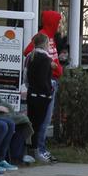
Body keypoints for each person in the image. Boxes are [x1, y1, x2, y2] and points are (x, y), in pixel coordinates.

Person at [23, 10, 63, 163]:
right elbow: (29, 51)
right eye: (57, 22)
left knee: (45, 120)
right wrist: (50, 66)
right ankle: (38, 149)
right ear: (52, 22)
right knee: (42, 120)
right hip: (45, 84)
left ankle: (41, 148)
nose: (59, 26)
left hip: (50, 81)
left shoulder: (50, 37)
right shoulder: (43, 35)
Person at [25, 33, 56, 163]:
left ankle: (30, 149)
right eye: (48, 43)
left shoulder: (29, 57)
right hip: (42, 95)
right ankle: (36, 150)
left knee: (32, 123)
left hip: (31, 93)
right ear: (44, 44)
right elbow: (43, 79)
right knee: (39, 124)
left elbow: (26, 77)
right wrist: (49, 92)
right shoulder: (45, 59)